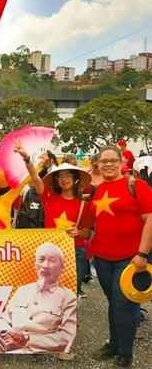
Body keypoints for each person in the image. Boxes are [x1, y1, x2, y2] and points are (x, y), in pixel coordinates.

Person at [90, 145, 152, 368]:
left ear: (121, 163)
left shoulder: (137, 185)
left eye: (112, 160)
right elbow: (89, 225)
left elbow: (150, 220)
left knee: (124, 304)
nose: (108, 164)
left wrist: (142, 254)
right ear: (97, 164)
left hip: (131, 259)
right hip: (102, 258)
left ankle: (125, 352)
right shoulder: (96, 191)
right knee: (113, 302)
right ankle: (114, 344)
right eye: (103, 161)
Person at [16, 143, 93, 297]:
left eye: (68, 175)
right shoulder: (48, 197)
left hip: (75, 253)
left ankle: (69, 320)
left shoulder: (84, 205)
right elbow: (35, 178)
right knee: (49, 292)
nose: (64, 179)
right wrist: (27, 159)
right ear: (56, 179)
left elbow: (87, 234)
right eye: (60, 176)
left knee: (70, 293)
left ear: (76, 179)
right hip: (50, 253)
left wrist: (77, 232)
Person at [0, 242, 77, 354]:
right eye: (41, 260)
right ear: (35, 264)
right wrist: (9, 331)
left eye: (52, 261)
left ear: (62, 267)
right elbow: (3, 318)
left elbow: (67, 337)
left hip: (38, 349)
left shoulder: (69, 298)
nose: (45, 265)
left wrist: (28, 340)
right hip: (9, 341)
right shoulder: (23, 290)